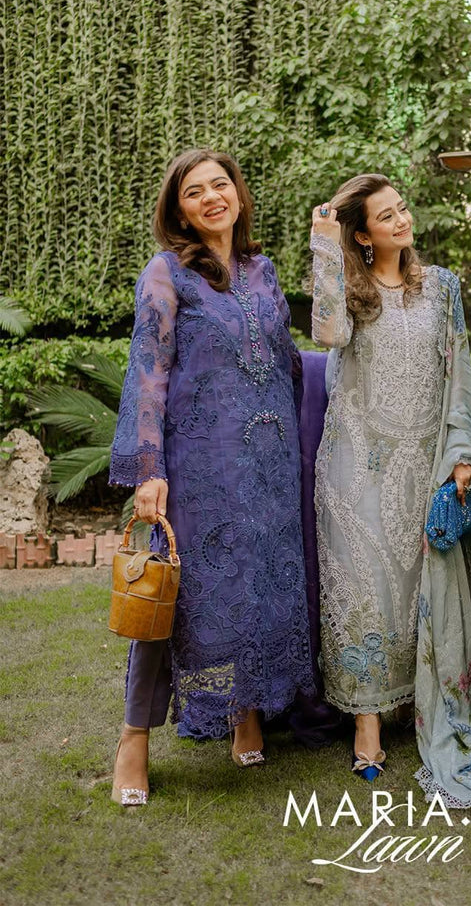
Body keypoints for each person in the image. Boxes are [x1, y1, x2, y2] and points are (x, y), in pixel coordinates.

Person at [108, 149, 315, 806]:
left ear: (238, 195)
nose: (211, 197)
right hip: (198, 466)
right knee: (170, 600)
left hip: (269, 465)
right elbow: (148, 371)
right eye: (194, 191)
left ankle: (245, 712)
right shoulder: (166, 272)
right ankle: (133, 739)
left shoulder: (262, 270)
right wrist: (149, 470)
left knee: (257, 588)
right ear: (179, 211)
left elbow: (286, 360)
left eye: (220, 184)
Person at [309, 173, 471, 806]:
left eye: (402, 209)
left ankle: (427, 702)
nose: (402, 220)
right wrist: (324, 247)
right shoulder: (350, 290)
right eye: (386, 216)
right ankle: (366, 723)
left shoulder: (440, 286)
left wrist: (462, 453)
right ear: (363, 234)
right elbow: (327, 334)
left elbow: (460, 373)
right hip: (357, 466)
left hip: (425, 461)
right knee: (366, 592)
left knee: (424, 587)